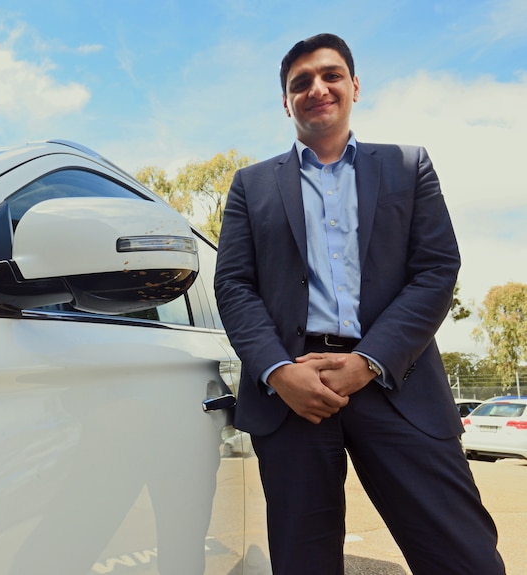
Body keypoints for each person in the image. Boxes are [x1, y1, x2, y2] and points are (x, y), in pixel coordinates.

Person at [214, 33, 505, 575]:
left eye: (330, 76)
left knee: (464, 558)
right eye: (300, 83)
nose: (316, 89)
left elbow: (436, 269)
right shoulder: (250, 186)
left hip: (397, 385)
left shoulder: (407, 165)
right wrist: (277, 371)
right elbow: (233, 286)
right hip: (293, 395)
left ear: (354, 86)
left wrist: (368, 363)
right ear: (286, 101)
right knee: (303, 563)